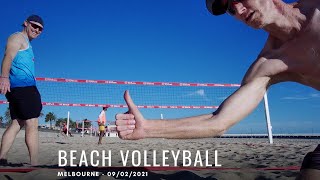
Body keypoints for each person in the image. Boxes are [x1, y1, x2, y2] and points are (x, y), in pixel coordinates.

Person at [115, 0, 320, 179]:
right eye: (230, 9)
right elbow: (219, 122)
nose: (238, 11)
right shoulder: (267, 66)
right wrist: (148, 127)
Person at [0, 15, 44, 166]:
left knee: (17, 123)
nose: (37, 30)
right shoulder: (17, 37)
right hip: (23, 88)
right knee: (32, 123)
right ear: (25, 23)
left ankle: (2, 159)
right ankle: (35, 164)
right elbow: (8, 56)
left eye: (40, 28)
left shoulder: (27, 44)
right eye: (34, 25)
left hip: (18, 88)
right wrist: (4, 77)